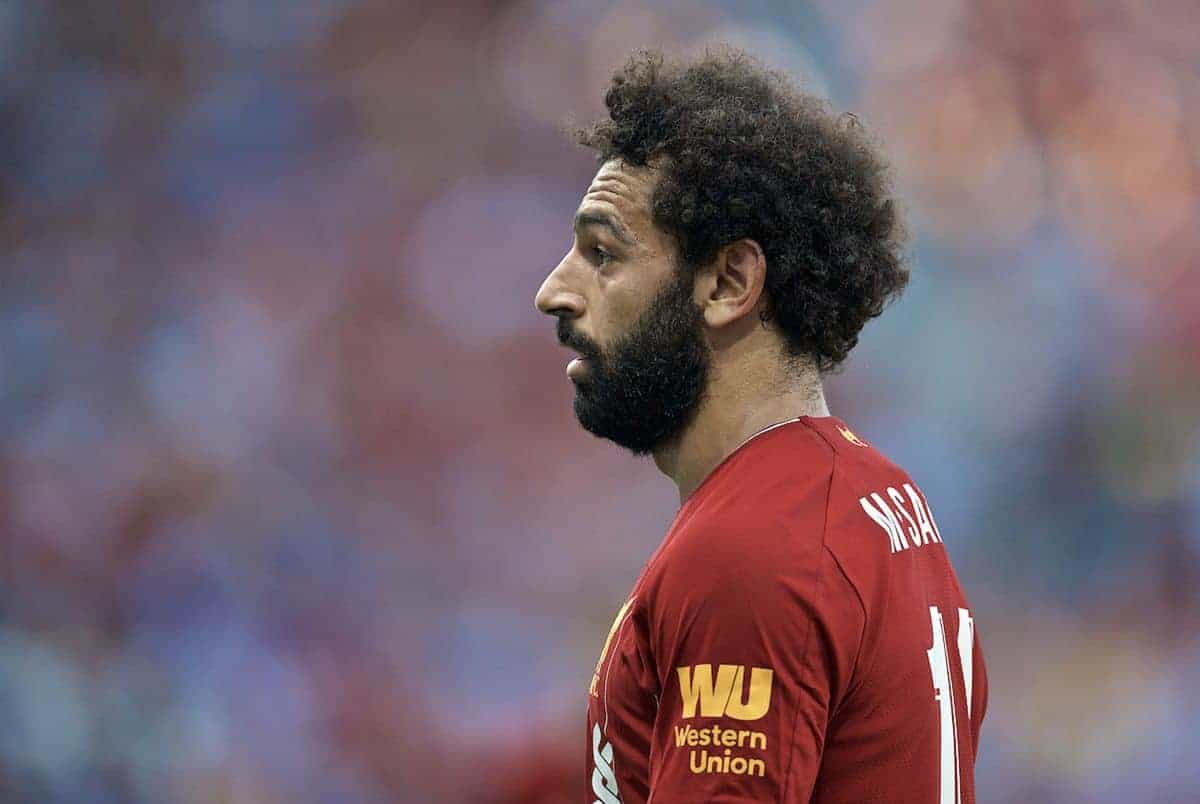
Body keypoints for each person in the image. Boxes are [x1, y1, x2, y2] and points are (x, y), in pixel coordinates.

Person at [534, 48, 986, 804]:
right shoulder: (881, 496)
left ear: (729, 283)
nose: (555, 292)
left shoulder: (750, 551)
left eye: (602, 253)